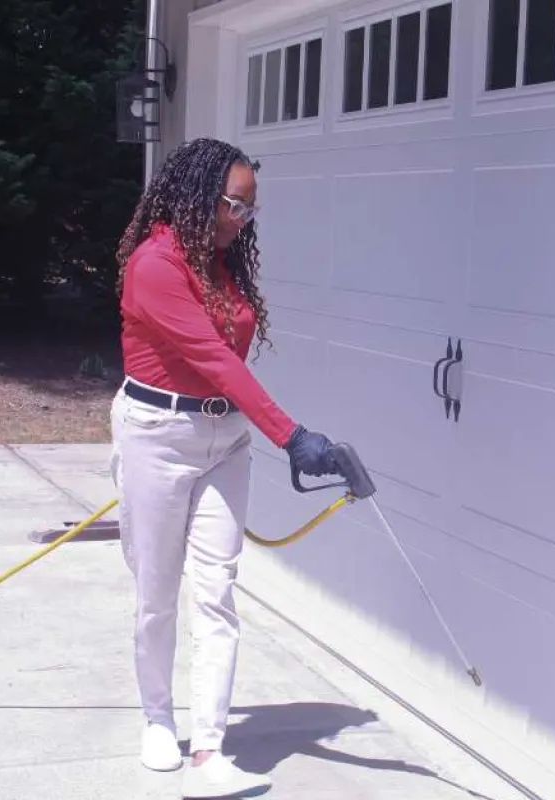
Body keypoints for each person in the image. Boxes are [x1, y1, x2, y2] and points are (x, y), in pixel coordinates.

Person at [109, 137, 340, 798]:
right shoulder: (154, 265)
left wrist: (260, 429)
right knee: (156, 593)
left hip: (224, 440)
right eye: (232, 204)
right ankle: (157, 718)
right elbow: (214, 358)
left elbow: (228, 362)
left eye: (249, 209)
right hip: (158, 434)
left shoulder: (219, 263)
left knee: (216, 591)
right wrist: (290, 435)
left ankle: (208, 749)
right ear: (195, 197)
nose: (241, 218)